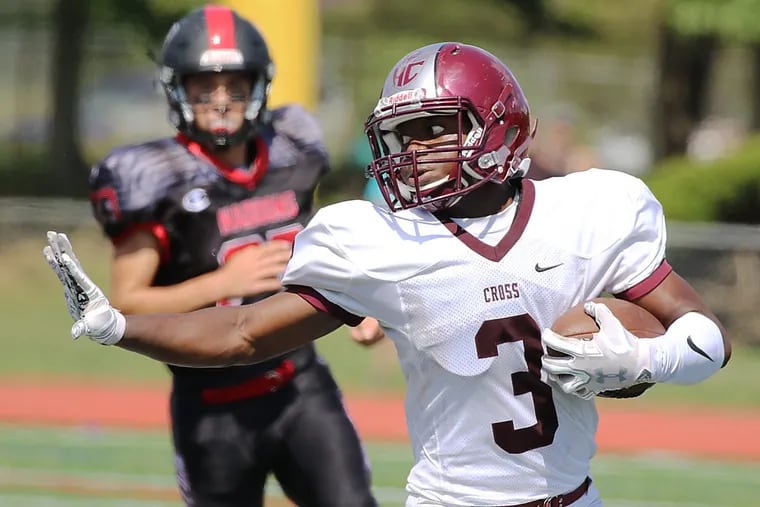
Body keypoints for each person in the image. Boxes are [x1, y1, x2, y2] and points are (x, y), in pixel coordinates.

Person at [46, 41, 731, 507]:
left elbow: (708, 338)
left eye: (435, 129)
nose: (415, 151)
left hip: (577, 496)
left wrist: (642, 357)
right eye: (406, 135)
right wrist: (119, 325)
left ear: (496, 127)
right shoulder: (379, 239)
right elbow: (244, 332)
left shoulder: (590, 211)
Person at [82, 5, 379, 507]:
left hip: (300, 386)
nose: (221, 101)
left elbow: (317, 247)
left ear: (258, 87)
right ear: (179, 90)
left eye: (235, 86)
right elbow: (126, 305)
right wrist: (220, 284)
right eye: (205, 87)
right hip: (212, 405)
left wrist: (359, 302)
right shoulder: (154, 177)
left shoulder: (292, 149)